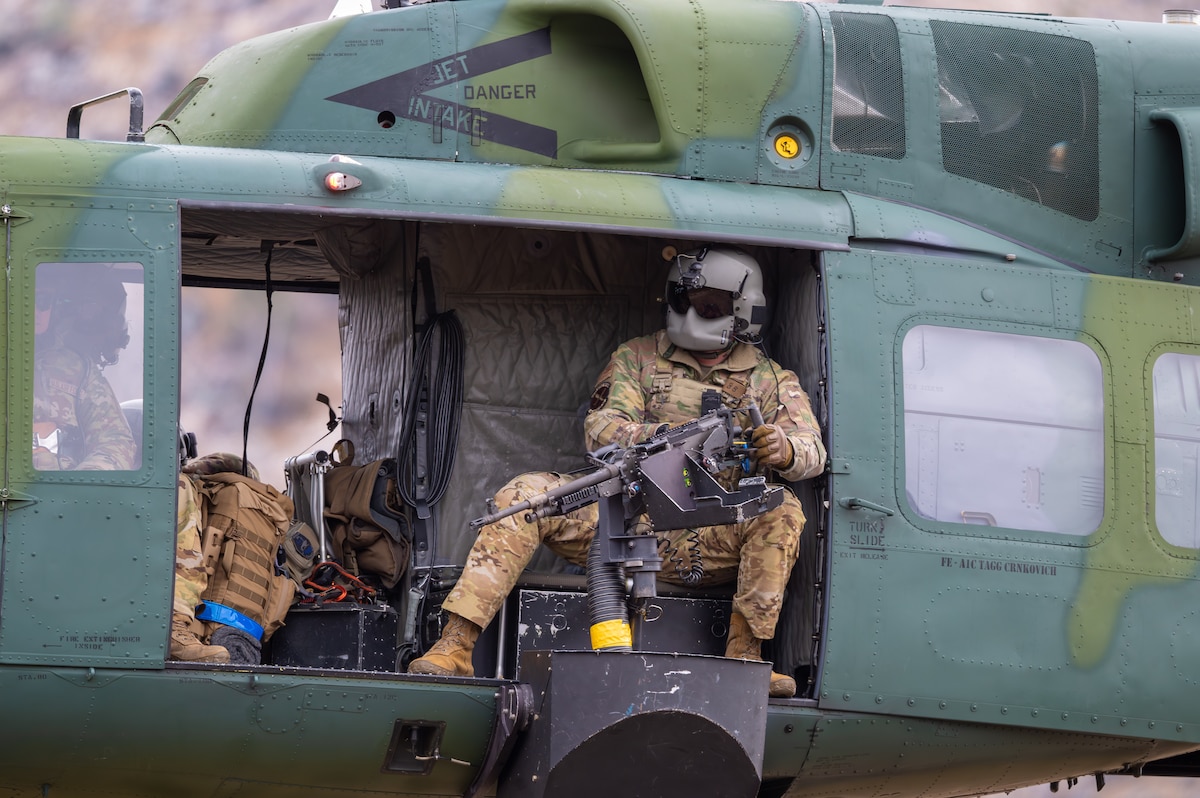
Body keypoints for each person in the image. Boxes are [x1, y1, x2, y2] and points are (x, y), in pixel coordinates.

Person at [409, 246, 826, 697]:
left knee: (781, 508)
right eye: (685, 300)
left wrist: (782, 448)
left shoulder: (770, 379)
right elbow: (602, 429)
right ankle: (455, 646)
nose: (691, 313)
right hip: (625, 516)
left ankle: (746, 656)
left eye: (708, 306)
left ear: (743, 311)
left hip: (711, 528)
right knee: (525, 495)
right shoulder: (639, 357)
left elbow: (812, 451)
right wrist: (671, 436)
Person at [32, 264, 136, 471]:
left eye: (43, 301)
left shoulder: (77, 370)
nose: (33, 308)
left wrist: (77, 484)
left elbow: (115, 442)